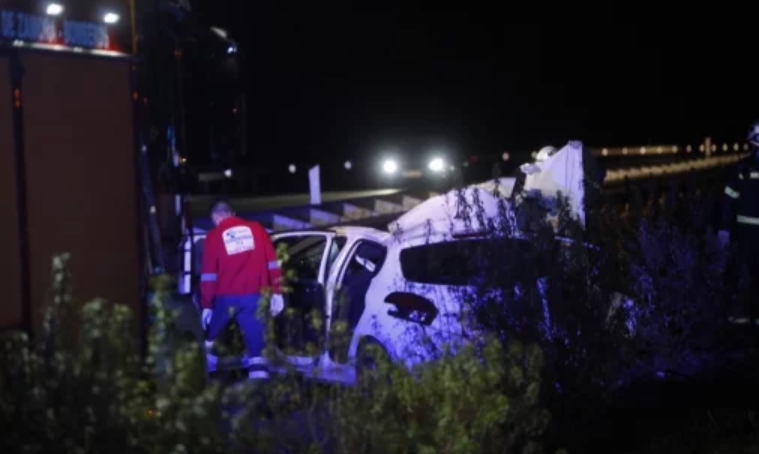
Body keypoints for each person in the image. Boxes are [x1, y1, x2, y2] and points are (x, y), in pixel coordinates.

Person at [200, 199, 284, 379]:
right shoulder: (257, 229)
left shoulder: (213, 236)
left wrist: (206, 304)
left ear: (215, 217)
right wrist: (277, 291)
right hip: (255, 296)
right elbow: (272, 263)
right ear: (233, 213)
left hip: (225, 298)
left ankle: (205, 363)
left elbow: (209, 275)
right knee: (257, 352)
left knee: (211, 335)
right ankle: (259, 384)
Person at [719, 120, 759, 323]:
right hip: (745, 234)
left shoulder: (742, 168)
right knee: (743, 276)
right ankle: (740, 322)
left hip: (744, 233)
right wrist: (724, 229)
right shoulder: (742, 168)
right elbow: (729, 199)